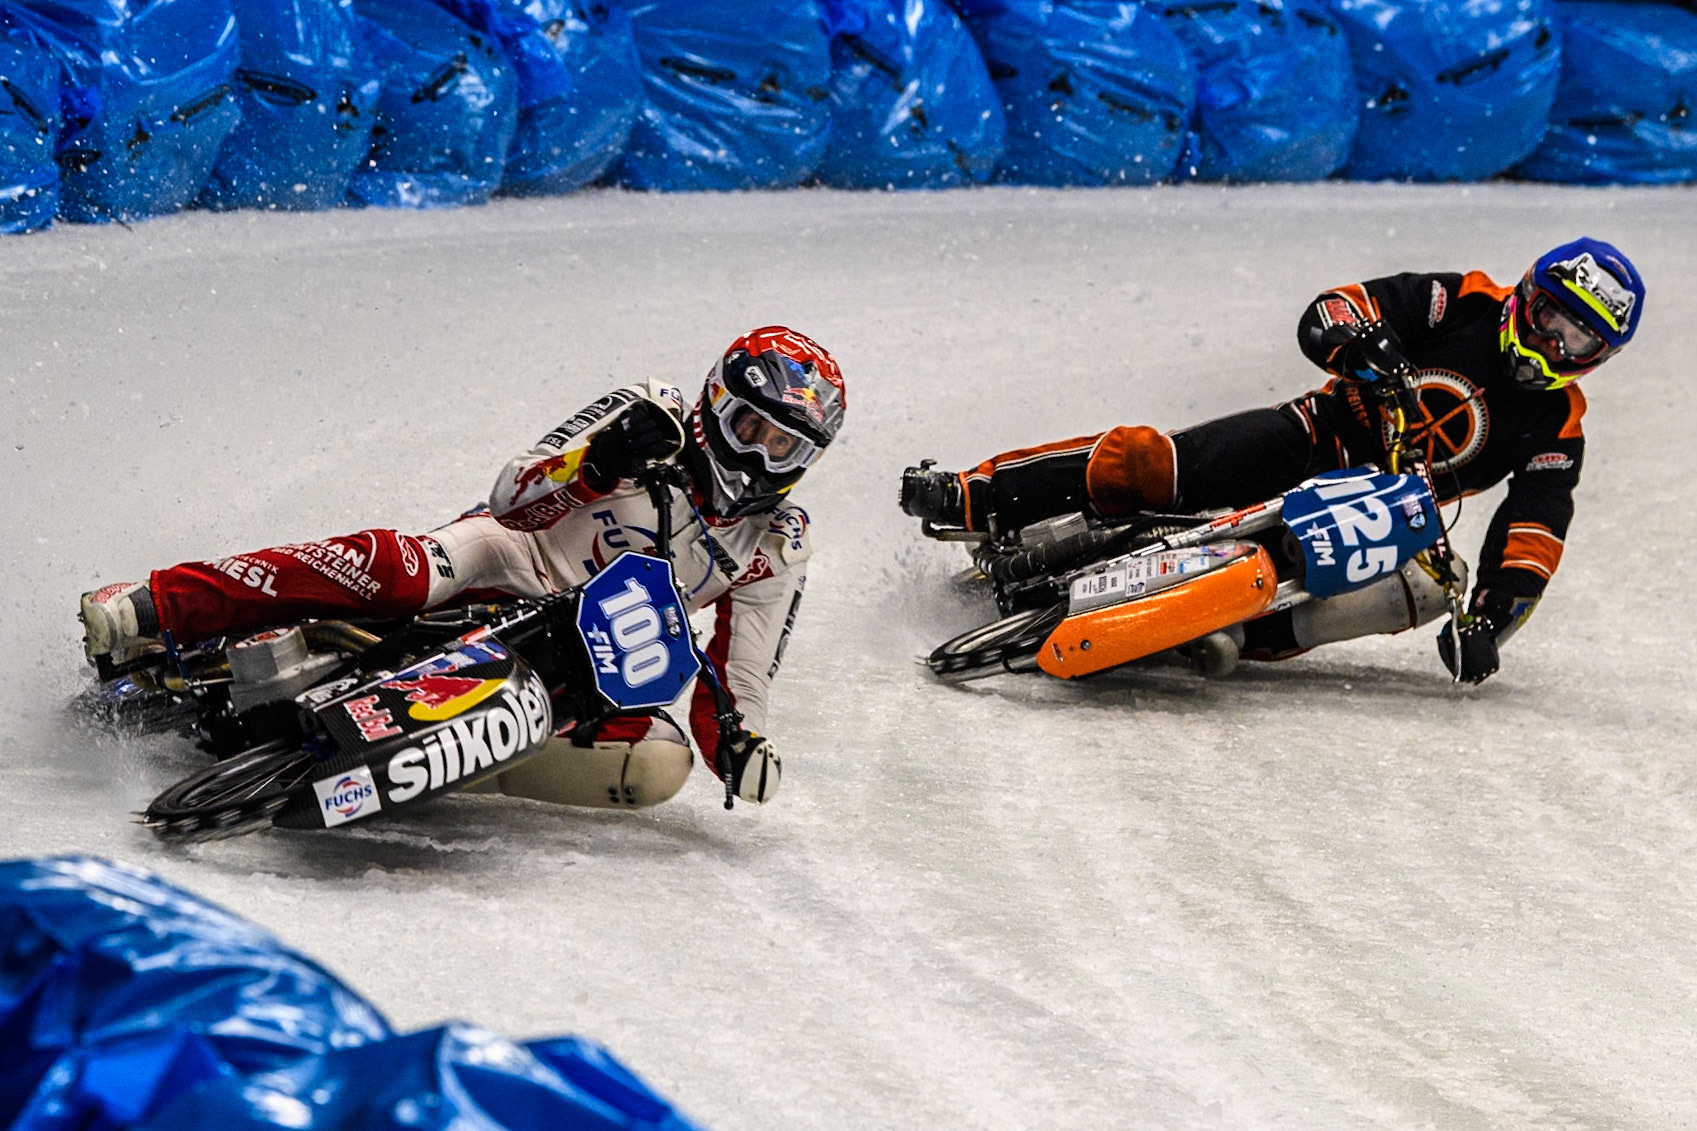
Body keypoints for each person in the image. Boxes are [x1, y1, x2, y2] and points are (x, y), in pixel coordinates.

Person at [81, 326, 846, 808]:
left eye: (783, 446)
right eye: (750, 426)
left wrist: (739, 747)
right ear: (717, 402)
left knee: (657, 765)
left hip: (583, 661)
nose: (757, 455)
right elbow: (511, 493)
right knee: (406, 568)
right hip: (513, 557)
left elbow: (741, 677)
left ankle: (446, 763)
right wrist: (601, 461)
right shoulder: (652, 410)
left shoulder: (777, 542)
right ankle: (160, 603)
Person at [900, 238, 1644, 684]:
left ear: (1595, 359)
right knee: (1156, 463)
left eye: (1576, 341)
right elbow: (1335, 308)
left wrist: (1489, 621)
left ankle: (1221, 633)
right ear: (1526, 295)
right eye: (1550, 316)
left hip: (1386, 506)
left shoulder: (1559, 425)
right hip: (1316, 433)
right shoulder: (1462, 302)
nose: (1552, 344)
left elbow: (1534, 532)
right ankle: (974, 493)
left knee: (1415, 590)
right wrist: (1359, 344)